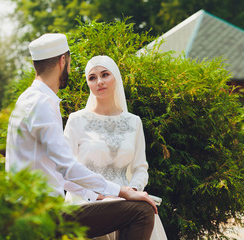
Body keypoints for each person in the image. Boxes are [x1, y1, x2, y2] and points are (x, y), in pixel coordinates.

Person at [5, 33, 158, 239]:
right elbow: (67, 167)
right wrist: (121, 191)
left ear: (35, 65)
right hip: (43, 216)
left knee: (133, 209)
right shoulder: (41, 104)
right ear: (63, 61)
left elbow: (59, 172)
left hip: (31, 211)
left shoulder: (29, 100)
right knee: (142, 211)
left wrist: (101, 195)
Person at [64, 55, 167, 240]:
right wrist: (100, 198)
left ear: (116, 78)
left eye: (105, 74)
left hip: (125, 203)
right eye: (92, 77)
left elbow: (140, 168)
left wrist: (132, 192)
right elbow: (65, 171)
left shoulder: (134, 122)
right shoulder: (76, 121)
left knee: (144, 211)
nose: (99, 82)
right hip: (87, 203)